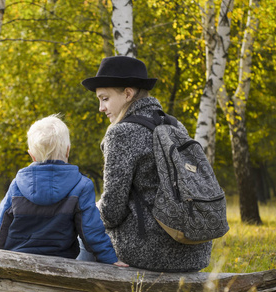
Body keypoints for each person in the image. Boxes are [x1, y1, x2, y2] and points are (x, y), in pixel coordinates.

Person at [80, 56, 212, 272]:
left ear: (128, 94)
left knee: (85, 228)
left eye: (104, 99)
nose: (100, 108)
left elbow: (112, 212)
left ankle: (76, 290)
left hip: (151, 250)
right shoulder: (174, 124)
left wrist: (90, 213)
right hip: (194, 247)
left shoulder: (120, 133)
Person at [0, 114, 128, 267]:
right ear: (67, 150)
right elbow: (91, 232)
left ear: (32, 156)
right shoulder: (81, 185)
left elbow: (0, 227)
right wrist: (110, 259)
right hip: (61, 265)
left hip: (18, 263)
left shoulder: (17, 185)